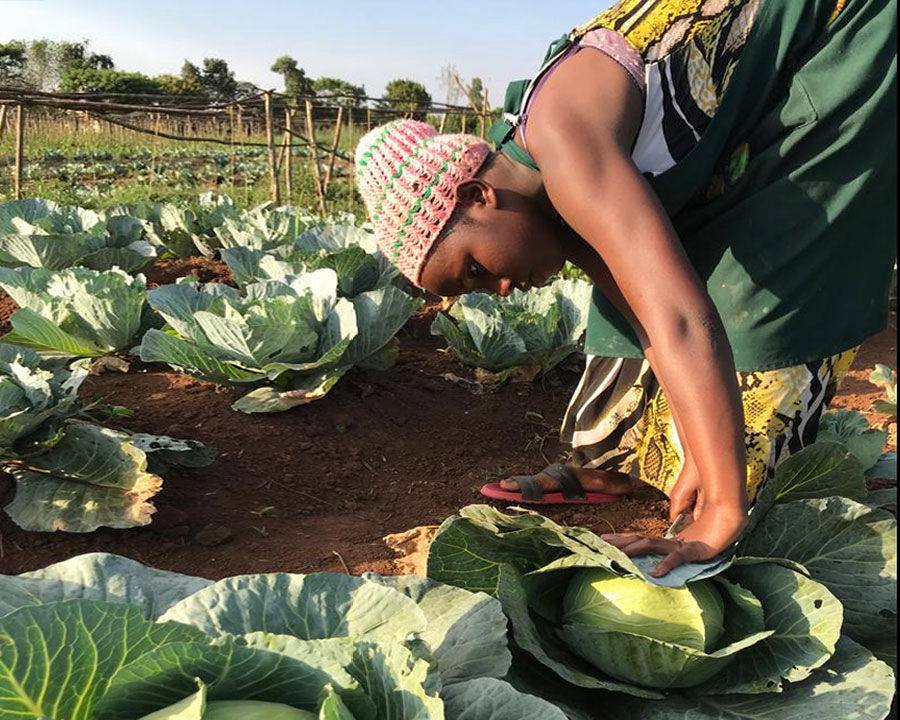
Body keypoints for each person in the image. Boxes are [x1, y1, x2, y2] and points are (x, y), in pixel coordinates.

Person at [354, 0, 897, 575]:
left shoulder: (564, 139)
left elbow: (680, 320)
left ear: (475, 197)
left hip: (844, 29)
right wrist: (698, 446)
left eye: (475, 270)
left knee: (770, 280)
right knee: (644, 298)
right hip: (763, 81)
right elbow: (649, 325)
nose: (501, 288)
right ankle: (636, 468)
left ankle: (745, 484)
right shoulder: (551, 202)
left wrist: (723, 504)